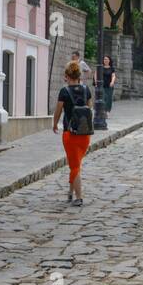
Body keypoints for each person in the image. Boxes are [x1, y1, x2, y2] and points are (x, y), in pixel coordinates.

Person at [53, 60, 94, 206]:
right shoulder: (86, 89)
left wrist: (54, 124)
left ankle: (79, 197)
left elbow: (58, 111)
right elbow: (89, 109)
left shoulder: (64, 92)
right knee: (75, 163)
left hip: (70, 134)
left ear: (67, 76)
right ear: (78, 75)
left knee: (74, 166)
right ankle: (70, 193)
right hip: (85, 134)